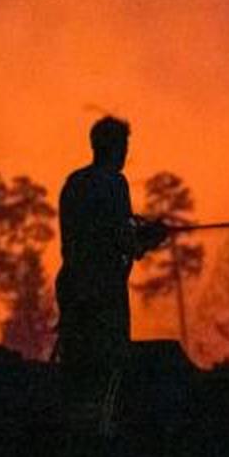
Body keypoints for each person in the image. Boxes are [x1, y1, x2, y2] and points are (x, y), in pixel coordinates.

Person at [55, 116, 167, 388]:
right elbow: (124, 240)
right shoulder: (114, 183)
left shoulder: (75, 183)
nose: (126, 153)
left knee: (77, 369)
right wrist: (151, 238)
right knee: (110, 371)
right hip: (104, 292)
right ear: (114, 147)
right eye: (124, 145)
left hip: (71, 286)